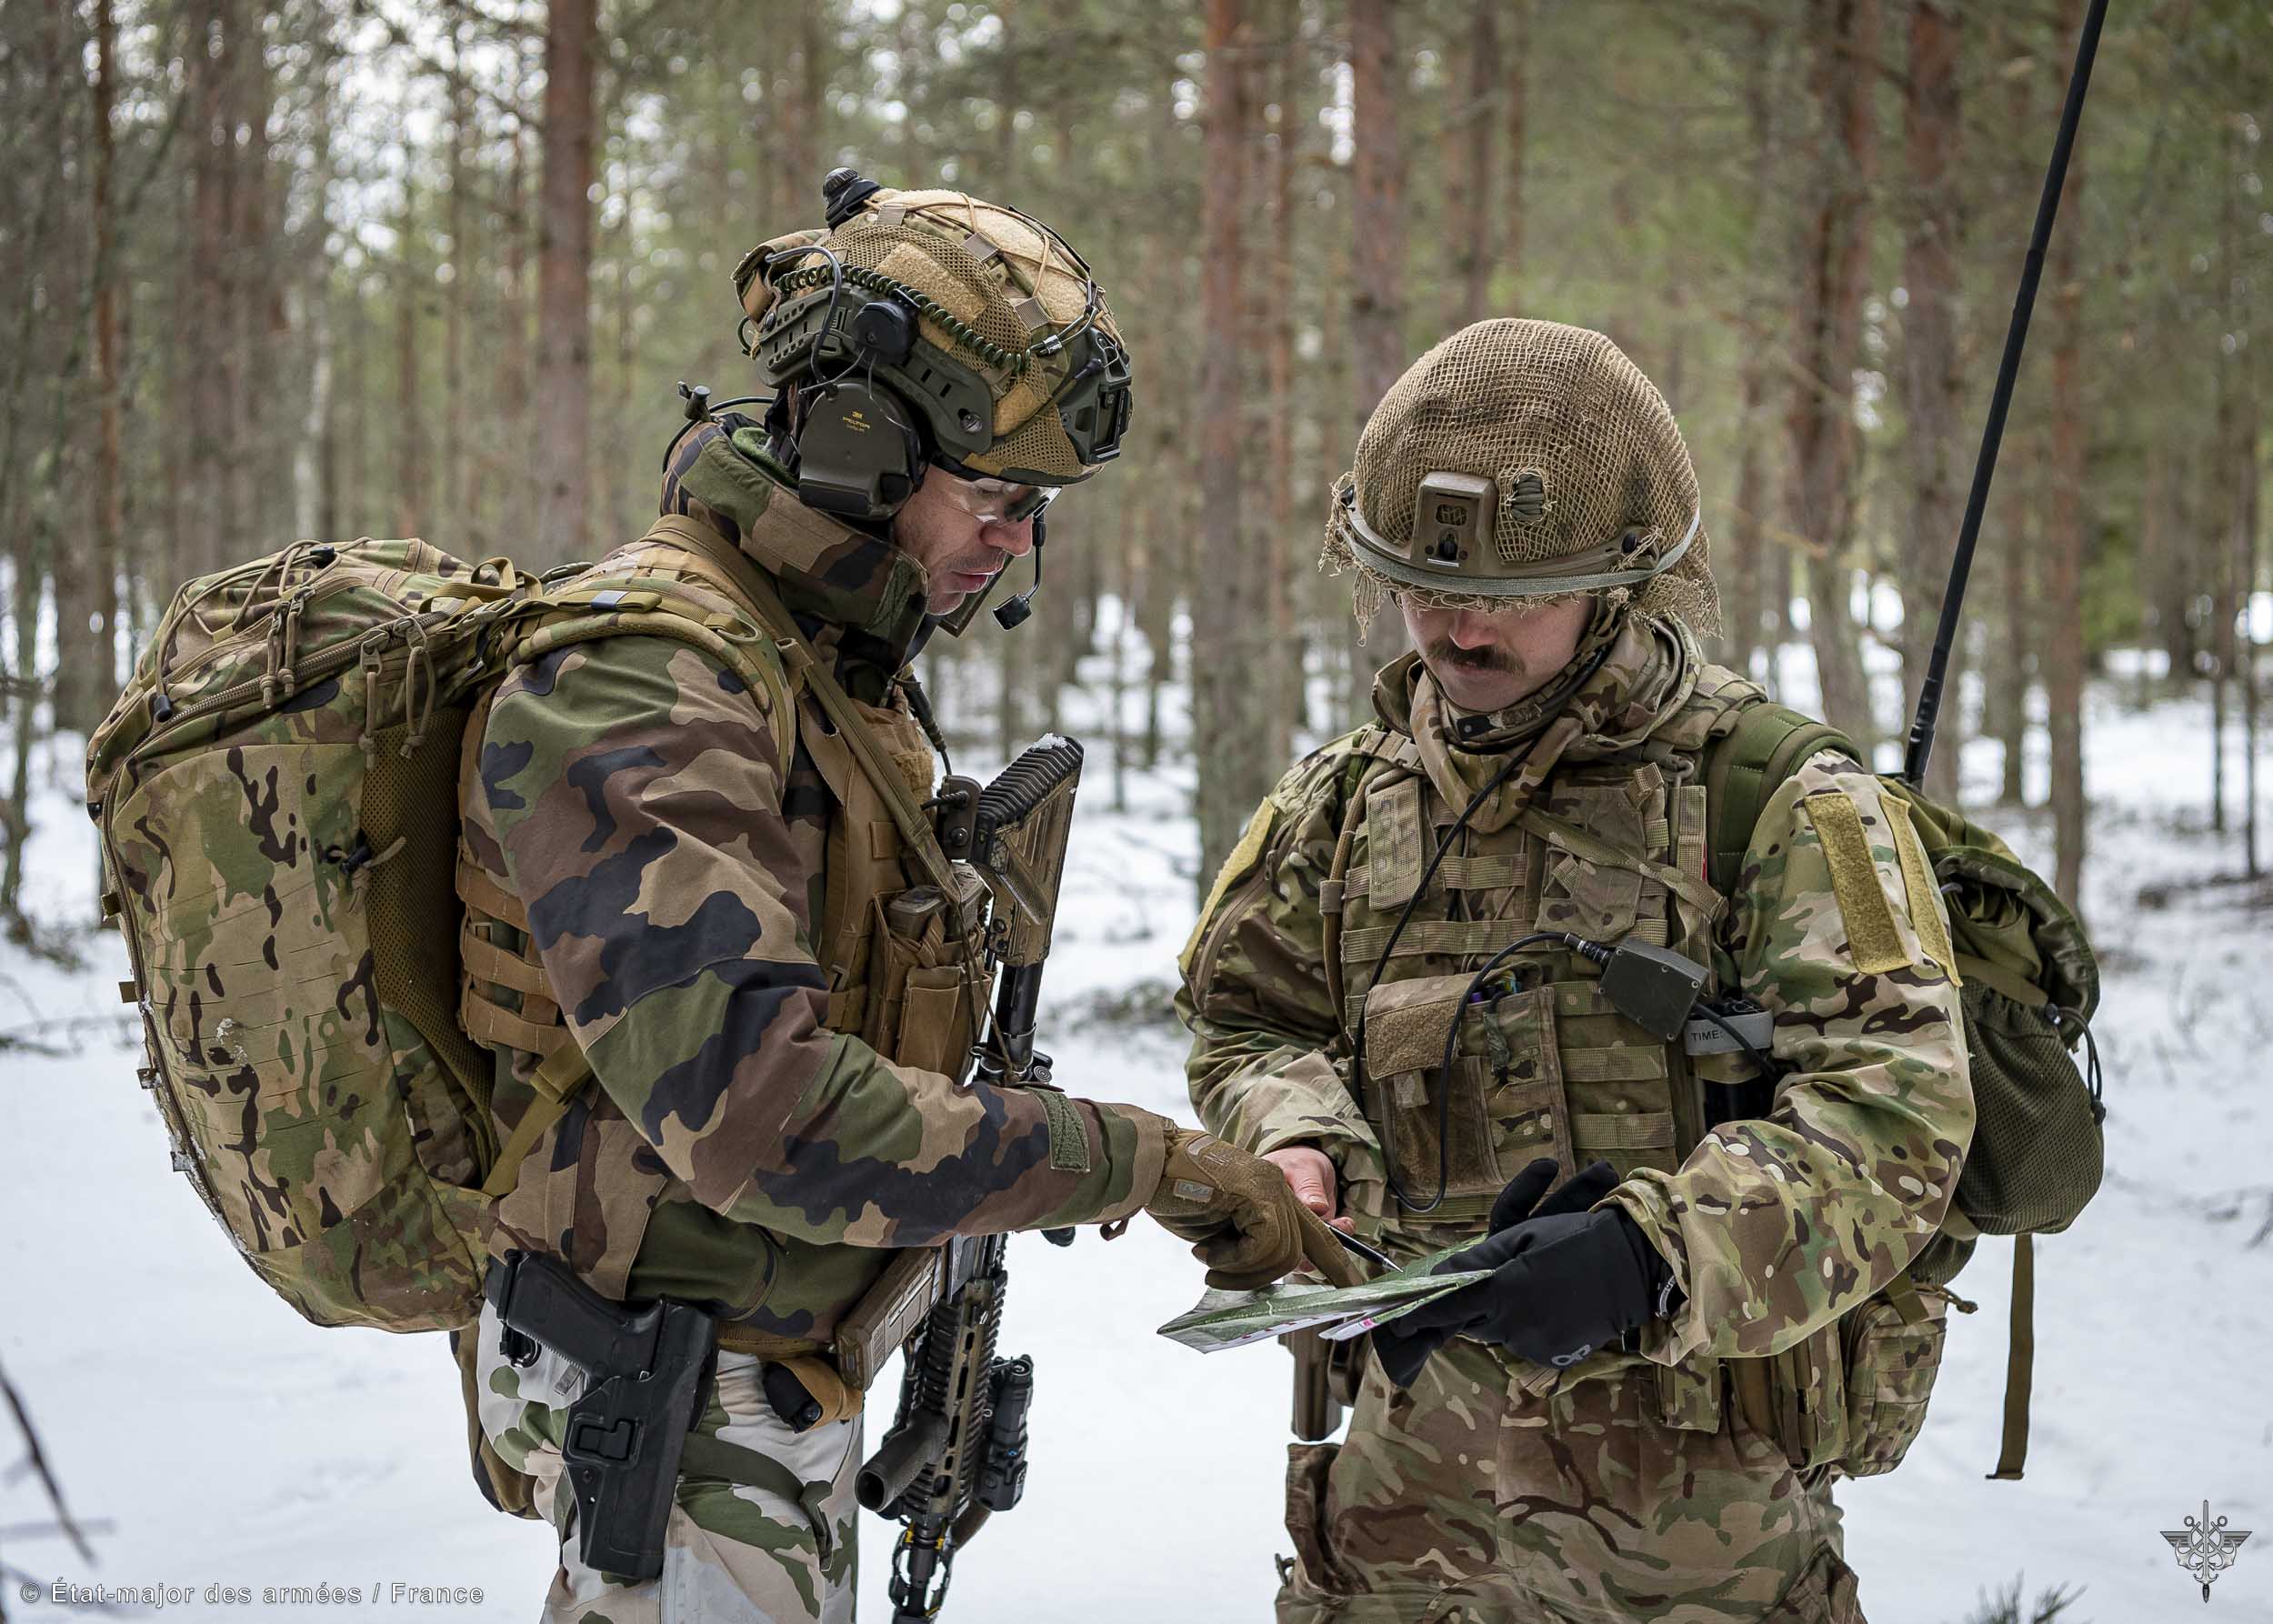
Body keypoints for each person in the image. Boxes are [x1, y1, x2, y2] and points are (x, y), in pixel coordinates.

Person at [456, 173, 1320, 1624]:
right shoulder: (650, 672)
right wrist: (1141, 1163)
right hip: (674, 1401)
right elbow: (762, 1115)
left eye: (1034, 508)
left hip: (761, 1378)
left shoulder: (822, 660)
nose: (1015, 546)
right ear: (857, 440)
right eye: (994, 496)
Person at [1178, 318, 1974, 1623]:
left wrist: (1650, 1253)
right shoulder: (1340, 804)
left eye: (1515, 590)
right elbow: (1249, 1023)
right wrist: (1301, 1138)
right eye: (1421, 583)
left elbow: (1898, 1116)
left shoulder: (1771, 800)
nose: (1458, 621)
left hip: (1696, 1545)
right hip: (1401, 1532)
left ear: (1622, 580)